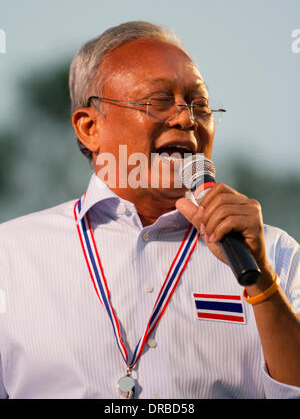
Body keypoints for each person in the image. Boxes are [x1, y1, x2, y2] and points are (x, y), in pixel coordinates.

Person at [0, 21, 299, 399]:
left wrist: (262, 285)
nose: (186, 119)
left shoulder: (274, 255)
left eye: (200, 106)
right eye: (158, 101)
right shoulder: (10, 256)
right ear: (90, 127)